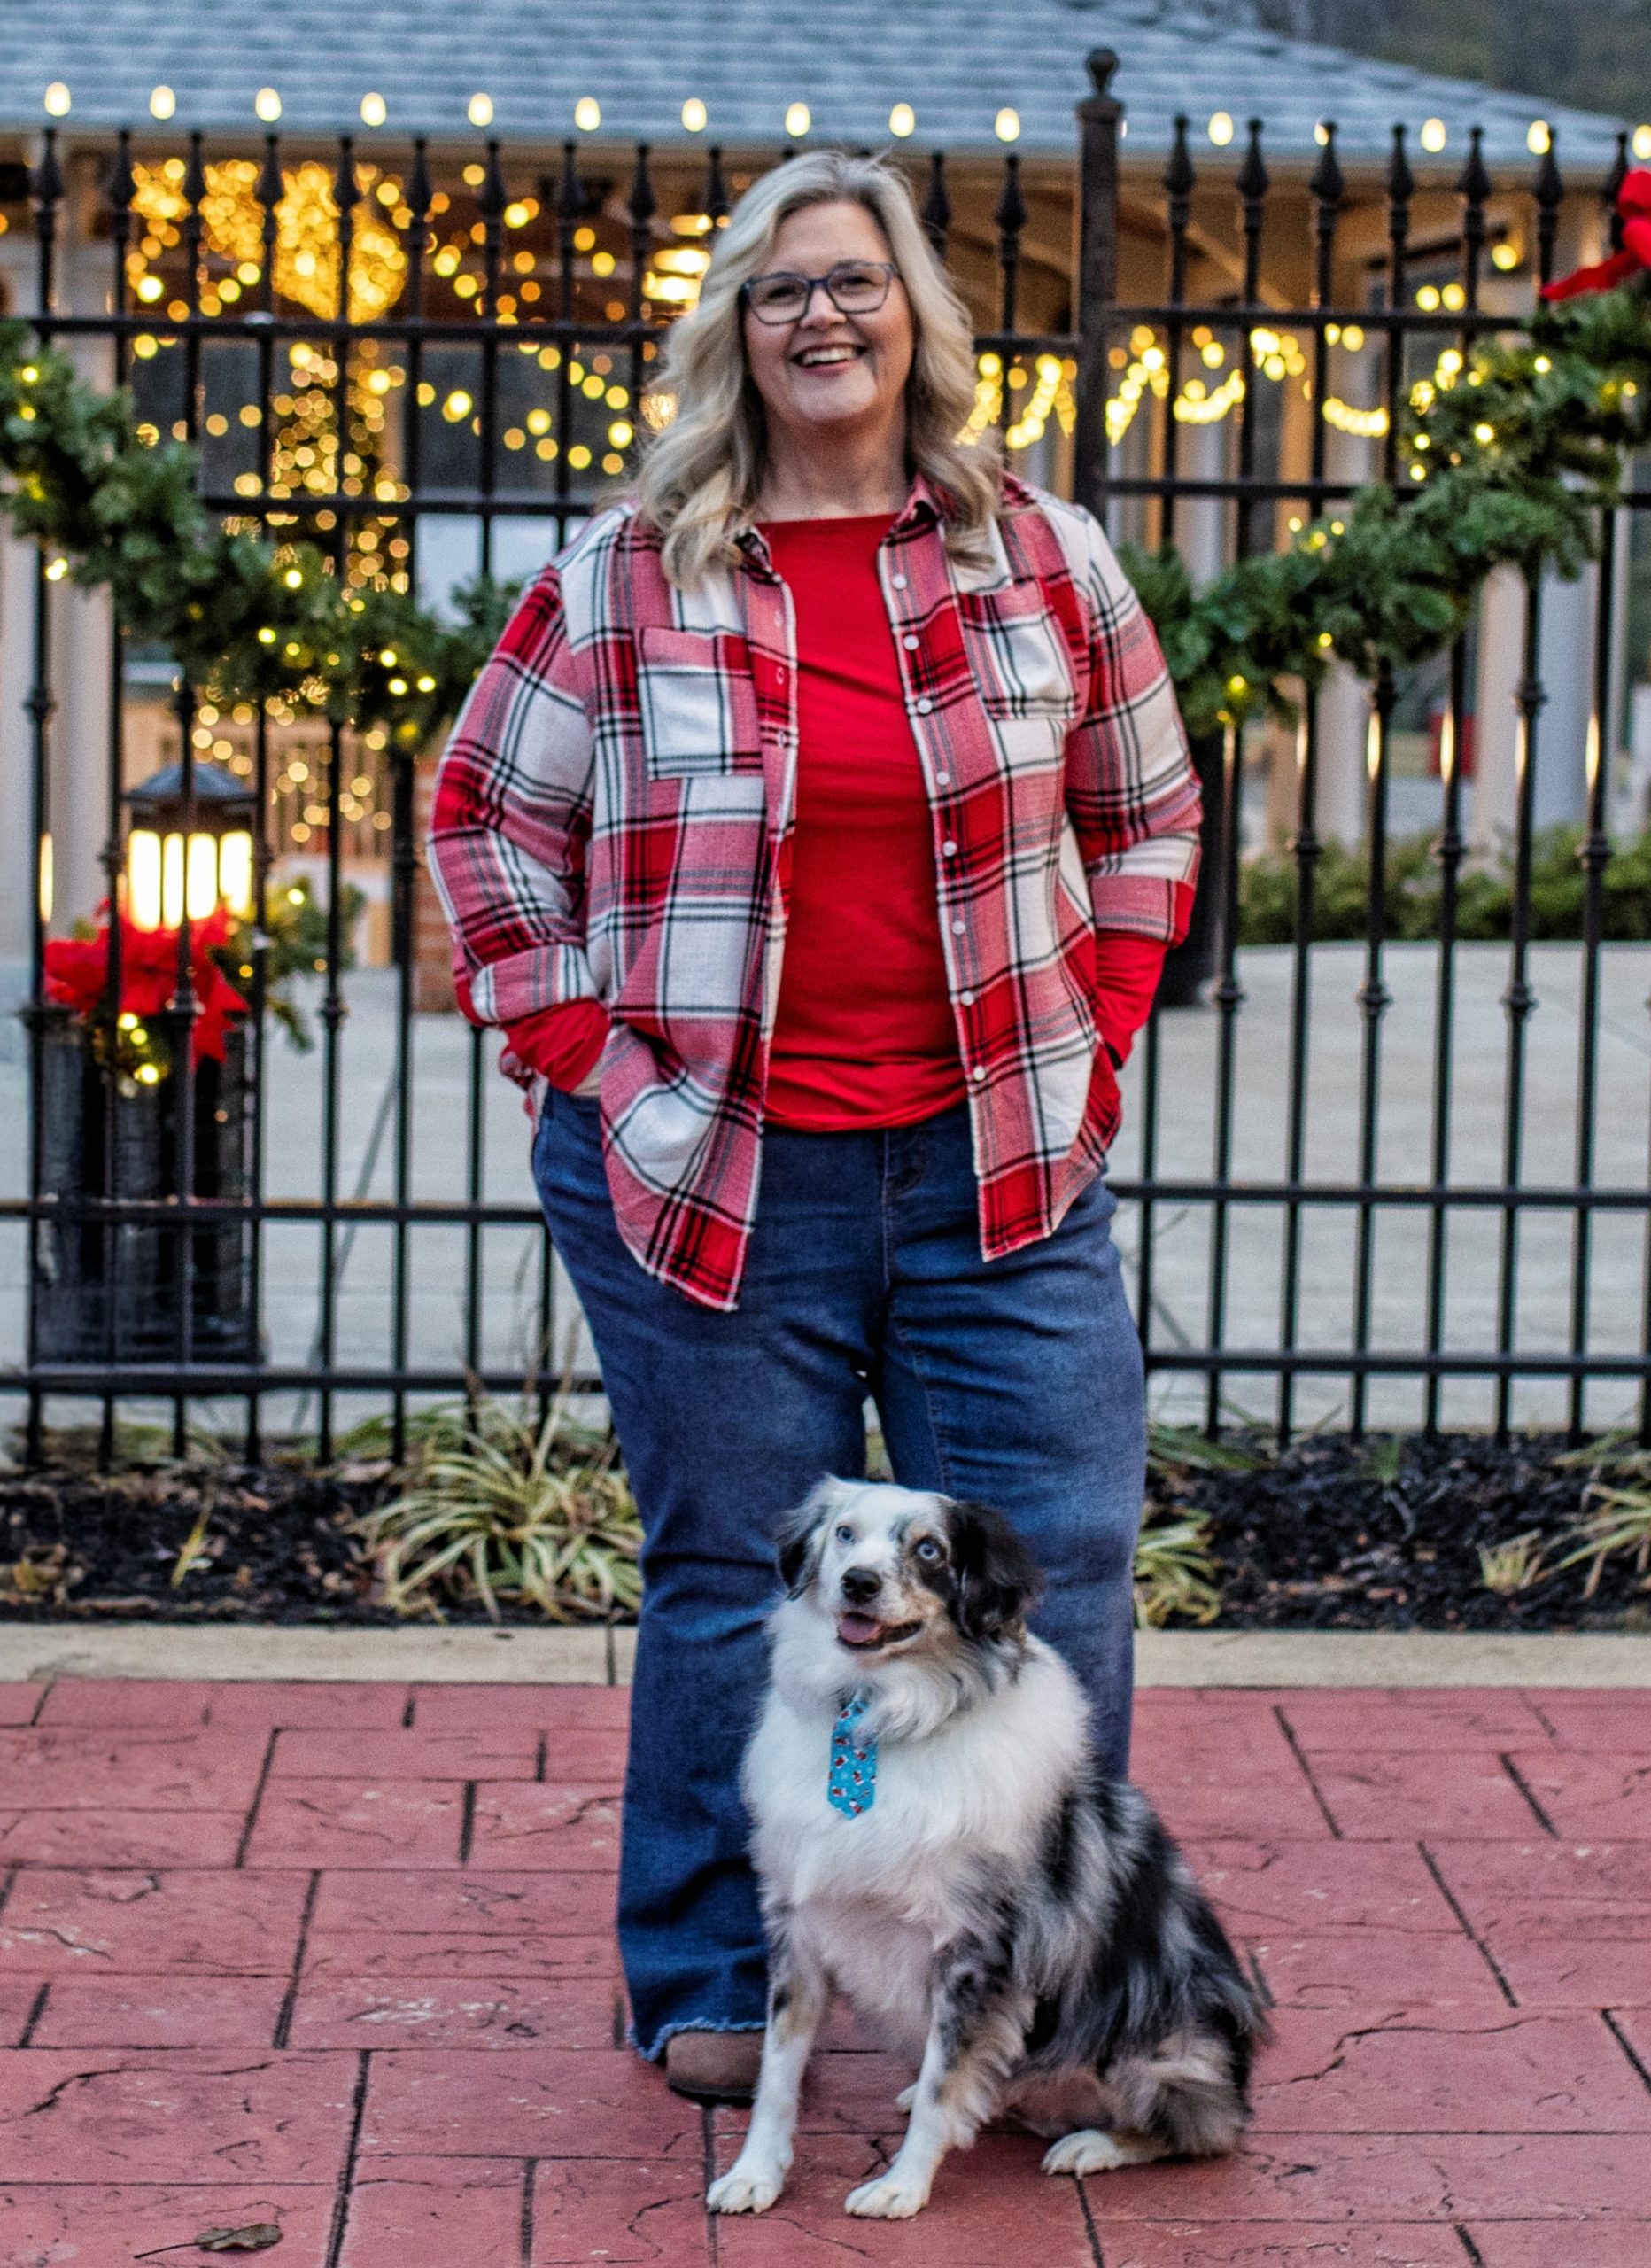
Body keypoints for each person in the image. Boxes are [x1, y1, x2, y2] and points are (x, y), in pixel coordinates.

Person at [427, 149, 1200, 2105]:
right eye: (779, 291)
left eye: (852, 282)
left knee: (1063, 1562)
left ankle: (1022, 1983)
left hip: (997, 1167)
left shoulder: (1039, 558)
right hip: (709, 1171)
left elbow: (1147, 812)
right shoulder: (626, 568)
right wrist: (585, 1051)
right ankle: (705, 1967)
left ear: (914, 319)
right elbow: (482, 818)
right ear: (735, 333)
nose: (820, 318)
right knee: (725, 1576)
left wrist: (1095, 1032)